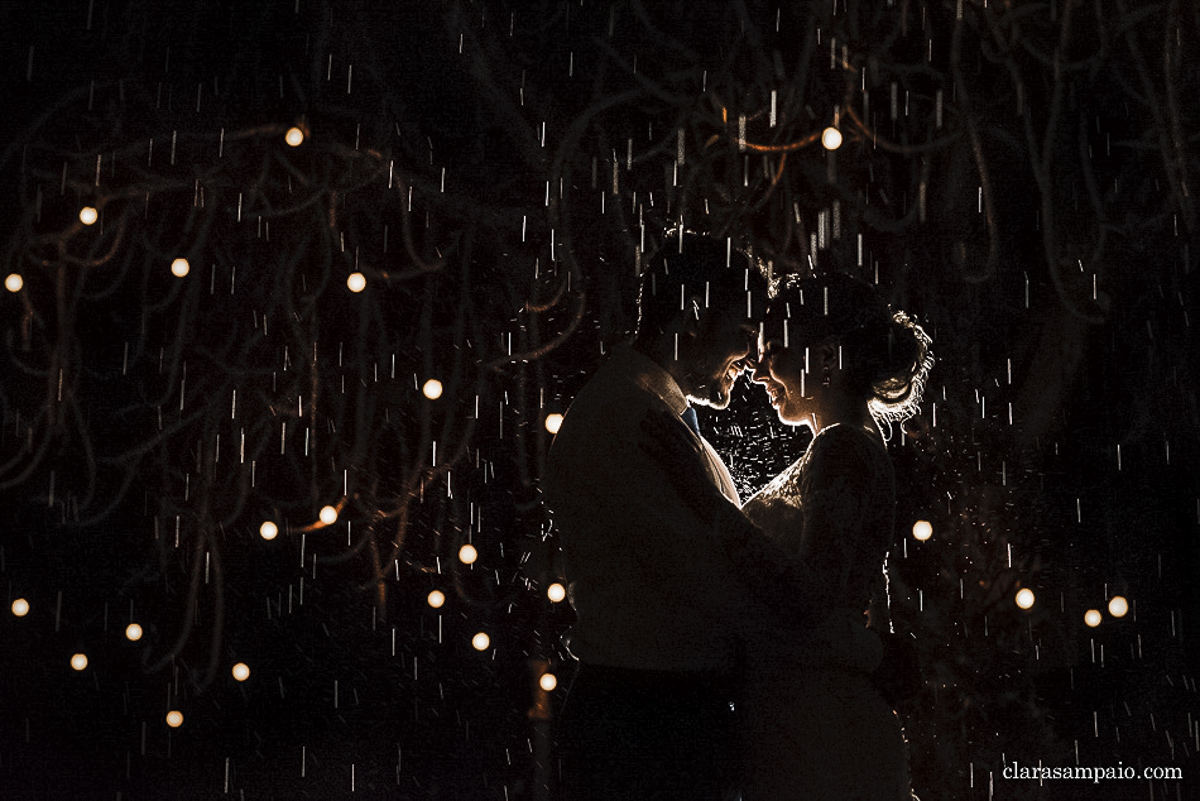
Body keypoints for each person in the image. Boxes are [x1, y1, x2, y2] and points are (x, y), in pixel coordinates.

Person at [542, 234, 771, 800]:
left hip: (657, 715)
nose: (751, 359)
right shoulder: (629, 421)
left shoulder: (649, 412)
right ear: (693, 316)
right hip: (647, 726)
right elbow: (712, 584)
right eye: (742, 335)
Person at [734, 272, 933, 800]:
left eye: (772, 350)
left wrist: (712, 517)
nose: (757, 372)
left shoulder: (842, 449)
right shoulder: (852, 446)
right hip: (811, 709)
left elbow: (812, 600)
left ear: (825, 359)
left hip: (815, 724)